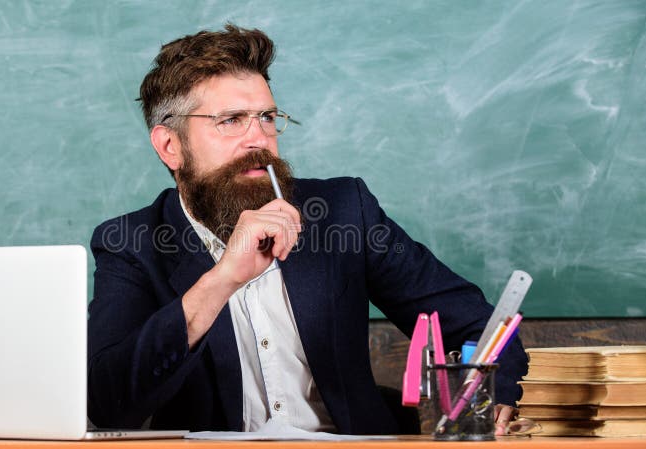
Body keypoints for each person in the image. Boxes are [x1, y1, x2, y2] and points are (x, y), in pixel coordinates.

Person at [87, 24, 527, 435]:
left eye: (266, 117)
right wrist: (222, 279)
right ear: (171, 146)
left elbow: (478, 327)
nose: (258, 139)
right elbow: (106, 403)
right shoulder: (132, 244)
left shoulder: (342, 213)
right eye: (231, 120)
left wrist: (495, 389)